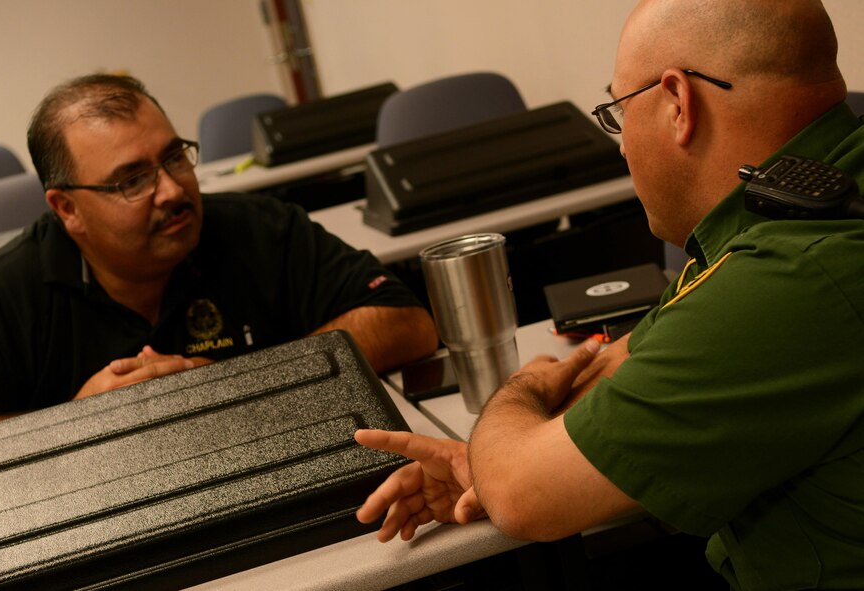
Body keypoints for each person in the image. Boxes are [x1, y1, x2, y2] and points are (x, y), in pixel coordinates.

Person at [355, 1, 864, 589]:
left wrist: (516, 400)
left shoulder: (790, 276)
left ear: (678, 102)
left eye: (618, 113)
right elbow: (617, 369)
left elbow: (526, 496)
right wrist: (493, 462)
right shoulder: (796, 203)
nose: (621, 148)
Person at [0, 74, 439, 426]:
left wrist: (231, 383)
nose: (173, 191)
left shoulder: (259, 227)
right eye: (133, 180)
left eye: (175, 157)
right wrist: (78, 423)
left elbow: (406, 323)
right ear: (67, 208)